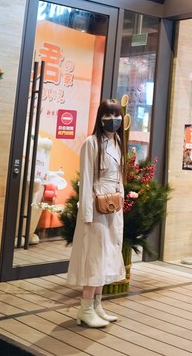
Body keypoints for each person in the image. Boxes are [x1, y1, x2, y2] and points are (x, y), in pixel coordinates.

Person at [66, 99, 136, 327]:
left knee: (106, 256)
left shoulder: (118, 142)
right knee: (95, 257)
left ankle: (97, 305)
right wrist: (87, 214)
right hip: (96, 208)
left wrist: (121, 202)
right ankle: (85, 308)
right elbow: (86, 180)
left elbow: (118, 178)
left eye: (117, 115)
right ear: (100, 117)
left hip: (113, 207)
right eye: (109, 115)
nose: (113, 120)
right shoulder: (91, 143)